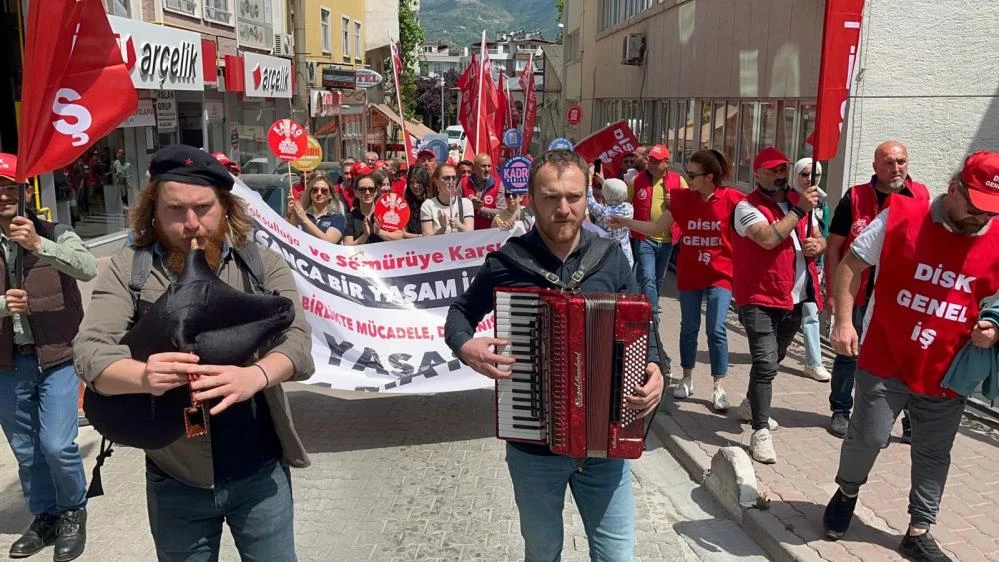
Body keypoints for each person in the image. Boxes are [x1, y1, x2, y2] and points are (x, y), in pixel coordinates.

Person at [72, 144, 315, 561]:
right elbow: (90, 351)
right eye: (174, 210)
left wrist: (254, 376)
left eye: (203, 207)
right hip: (175, 478)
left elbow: (298, 339)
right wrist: (142, 375)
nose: (191, 224)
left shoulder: (259, 263)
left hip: (260, 474)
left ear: (224, 206)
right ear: (153, 210)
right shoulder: (129, 268)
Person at [444, 150, 664, 562]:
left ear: (587, 198)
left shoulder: (610, 258)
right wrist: (465, 345)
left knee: (617, 555)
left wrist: (655, 369)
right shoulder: (508, 262)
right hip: (534, 447)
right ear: (530, 198)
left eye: (574, 197)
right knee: (543, 551)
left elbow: (644, 324)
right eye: (551, 197)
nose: (564, 208)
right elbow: (459, 313)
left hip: (605, 443)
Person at [822, 151, 999, 562]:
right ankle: (848, 489)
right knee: (868, 435)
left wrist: (993, 327)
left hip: (947, 368)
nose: (982, 218)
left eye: (992, 211)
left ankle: (919, 528)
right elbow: (851, 264)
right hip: (887, 355)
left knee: (934, 451)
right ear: (954, 189)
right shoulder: (901, 216)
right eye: (975, 208)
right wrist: (844, 322)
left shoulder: (996, 236)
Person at [0, 153, 95, 562]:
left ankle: (73, 511)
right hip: (7, 364)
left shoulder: (57, 231)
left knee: (57, 445)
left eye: (9, 188)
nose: (3, 196)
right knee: (26, 451)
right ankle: (46, 516)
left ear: (24, 192)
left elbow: (89, 268)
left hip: (56, 358)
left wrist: (39, 244)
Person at [615, 149, 744, 413]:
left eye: (692, 174)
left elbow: (753, 230)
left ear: (709, 177)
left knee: (717, 329)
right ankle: (687, 377)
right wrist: (624, 222)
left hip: (721, 274)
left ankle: (719, 385)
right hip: (690, 273)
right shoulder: (683, 199)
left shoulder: (732, 199)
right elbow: (656, 228)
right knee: (689, 327)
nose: (687, 177)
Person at [824, 141, 930, 438]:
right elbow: (833, 249)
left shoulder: (920, 196)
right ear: (875, 166)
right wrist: (832, 291)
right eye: (888, 162)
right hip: (857, 292)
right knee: (849, 351)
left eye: (901, 162)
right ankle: (841, 409)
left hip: (900, 297)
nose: (895, 168)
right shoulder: (855, 197)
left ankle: (909, 418)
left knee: (904, 356)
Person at [732, 147, 824, 464]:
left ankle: (750, 403)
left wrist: (818, 243)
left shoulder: (800, 204)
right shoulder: (746, 207)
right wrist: (798, 210)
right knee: (767, 361)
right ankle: (760, 431)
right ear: (756, 173)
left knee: (775, 357)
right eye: (771, 171)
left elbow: (817, 237)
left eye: (782, 169)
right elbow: (769, 238)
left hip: (794, 296)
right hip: (758, 296)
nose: (779, 175)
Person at [627, 144, 686, 324]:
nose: (651, 164)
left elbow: (687, 211)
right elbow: (628, 206)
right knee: (648, 277)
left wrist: (676, 203)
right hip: (644, 239)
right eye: (650, 160)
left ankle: (647, 304)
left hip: (668, 240)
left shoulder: (679, 181)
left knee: (657, 280)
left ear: (666, 162)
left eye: (656, 161)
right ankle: (652, 317)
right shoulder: (636, 181)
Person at [791, 158, 833, 384]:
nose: (810, 179)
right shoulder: (790, 200)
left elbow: (824, 235)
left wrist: (819, 250)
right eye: (804, 174)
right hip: (789, 269)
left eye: (815, 175)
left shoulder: (822, 204)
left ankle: (814, 362)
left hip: (812, 267)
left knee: (811, 314)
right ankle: (771, 353)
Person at [342, 173, 403, 246]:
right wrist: (365, 235)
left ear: (376, 191)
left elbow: (400, 237)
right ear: (356, 193)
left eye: (371, 189)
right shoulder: (350, 217)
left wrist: (379, 232)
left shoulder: (387, 212)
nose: (367, 193)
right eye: (362, 189)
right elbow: (347, 246)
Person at [586, 176, 634, 266]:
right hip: (626, 256)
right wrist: (604, 182)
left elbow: (589, 199)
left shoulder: (603, 212)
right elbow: (615, 193)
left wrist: (589, 179)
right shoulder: (629, 208)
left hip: (607, 258)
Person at [286, 173, 346, 244]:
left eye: (324, 190)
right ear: (310, 194)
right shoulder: (303, 214)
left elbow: (329, 242)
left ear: (330, 195)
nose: (319, 193)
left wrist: (305, 219)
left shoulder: (337, 217)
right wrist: (292, 214)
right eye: (315, 190)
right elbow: (292, 236)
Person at [421, 164, 474, 236]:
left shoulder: (466, 203)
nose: (451, 181)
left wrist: (459, 225)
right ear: (437, 182)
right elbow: (427, 238)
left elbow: (472, 235)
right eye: (446, 178)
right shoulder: (428, 205)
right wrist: (442, 228)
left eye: (454, 178)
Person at [460, 153, 501, 230]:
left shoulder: (498, 184)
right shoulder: (463, 182)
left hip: (490, 235)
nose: (487, 169)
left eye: (489, 166)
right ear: (474, 168)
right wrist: (469, 205)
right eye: (483, 166)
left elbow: (501, 213)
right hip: (468, 235)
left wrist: (480, 209)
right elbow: (455, 207)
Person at [402, 165, 429, 238]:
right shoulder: (405, 205)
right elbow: (404, 233)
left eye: (418, 182)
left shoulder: (432, 203)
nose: (415, 186)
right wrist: (422, 236)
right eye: (411, 182)